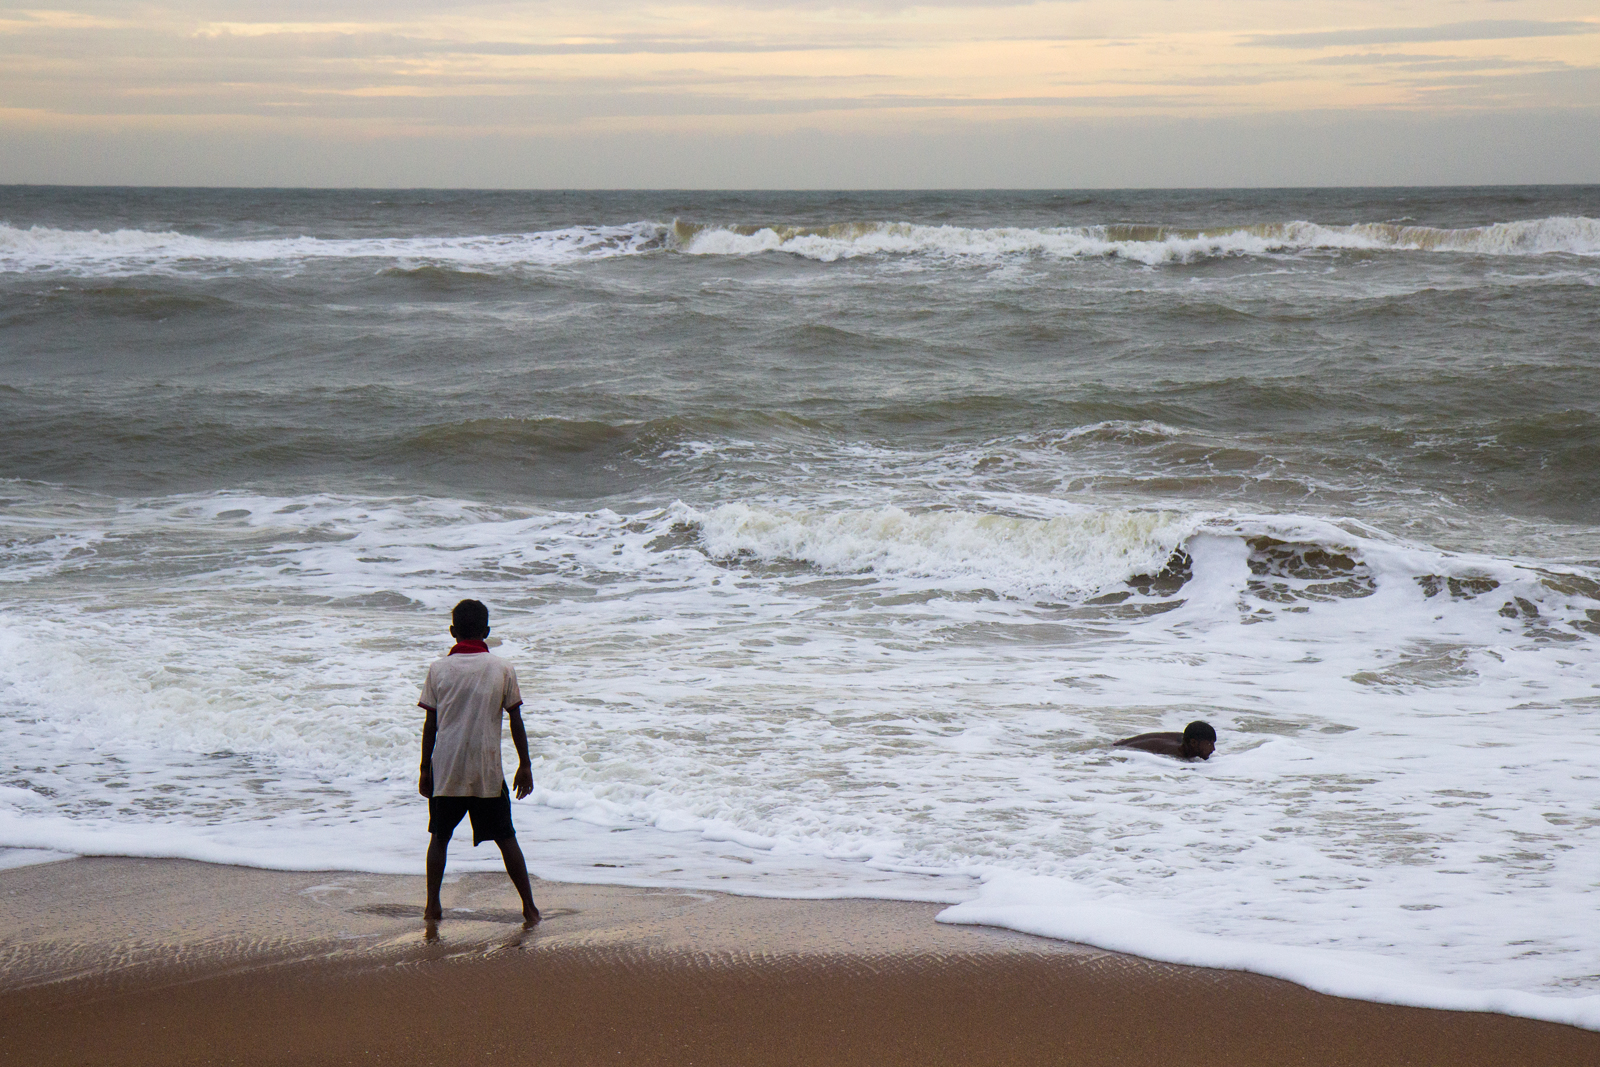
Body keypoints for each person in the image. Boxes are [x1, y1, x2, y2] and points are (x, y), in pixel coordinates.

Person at [417, 598, 540, 926]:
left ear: (453, 631)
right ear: (486, 631)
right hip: (486, 771)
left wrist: (424, 768)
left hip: (447, 769)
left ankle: (432, 907)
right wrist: (524, 765)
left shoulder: (438, 669)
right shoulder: (502, 668)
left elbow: (431, 724)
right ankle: (529, 908)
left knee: (439, 837)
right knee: (506, 838)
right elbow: (516, 719)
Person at [1113, 720, 1216, 761]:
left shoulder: (1185, 739)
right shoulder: (1175, 754)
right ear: (1193, 743)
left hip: (1122, 744)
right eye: (1209, 744)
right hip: (1119, 749)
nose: (1213, 749)